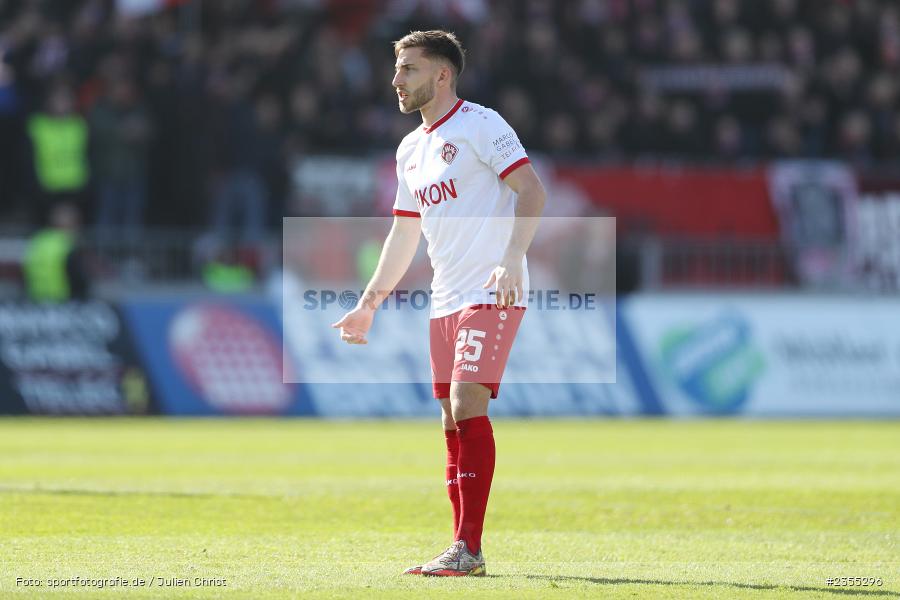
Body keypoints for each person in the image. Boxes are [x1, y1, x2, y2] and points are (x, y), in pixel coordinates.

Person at [330, 30, 546, 577]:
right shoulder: (410, 150)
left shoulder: (481, 124)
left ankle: (468, 549)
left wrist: (515, 257)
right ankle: (460, 546)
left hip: (492, 290)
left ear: (442, 74)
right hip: (444, 299)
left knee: (467, 401)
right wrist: (369, 303)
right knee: (451, 417)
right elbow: (403, 235)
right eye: (397, 68)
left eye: (408, 68)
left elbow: (531, 190)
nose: (396, 79)